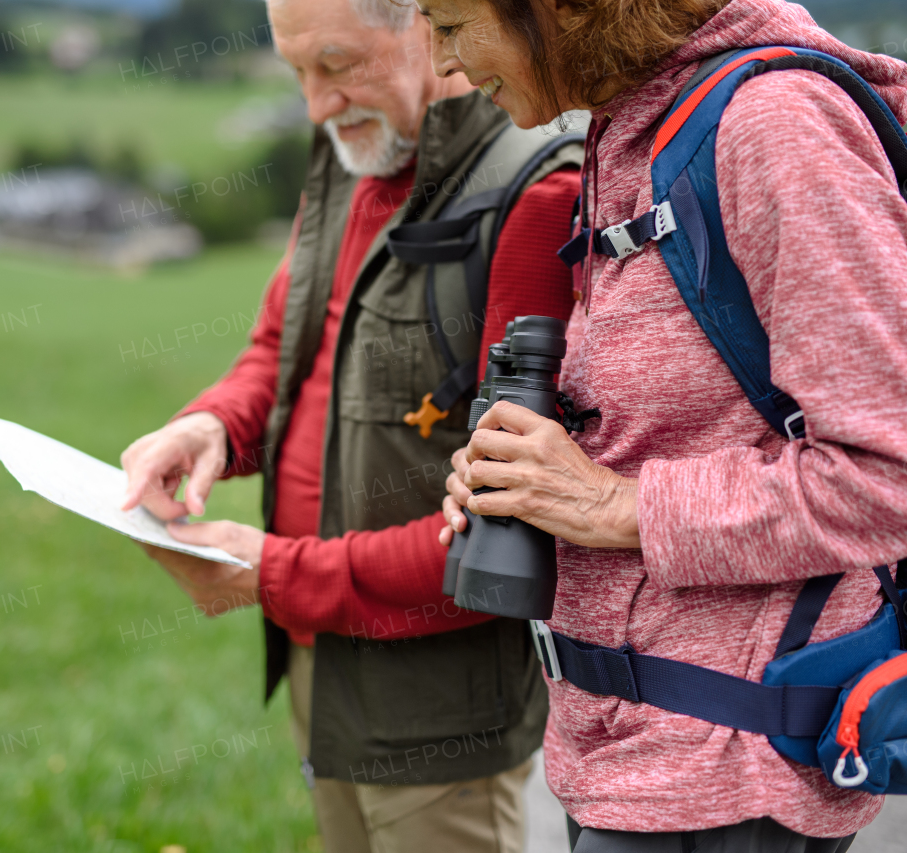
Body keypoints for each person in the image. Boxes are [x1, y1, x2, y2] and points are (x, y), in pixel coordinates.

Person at [420, 0, 907, 850]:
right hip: (620, 759)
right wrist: (535, 474)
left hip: (726, 778)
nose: (441, 63)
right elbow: (695, 417)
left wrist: (615, 504)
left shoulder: (774, 127)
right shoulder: (632, 126)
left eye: (450, 21)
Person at [119, 0, 584, 850]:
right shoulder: (353, 149)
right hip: (321, 676)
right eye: (296, 72)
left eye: (336, 66)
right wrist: (212, 427)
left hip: (440, 725)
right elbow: (284, 345)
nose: (315, 105)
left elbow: (501, 533)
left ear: (431, 22)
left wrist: (271, 575)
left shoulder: (537, 194)